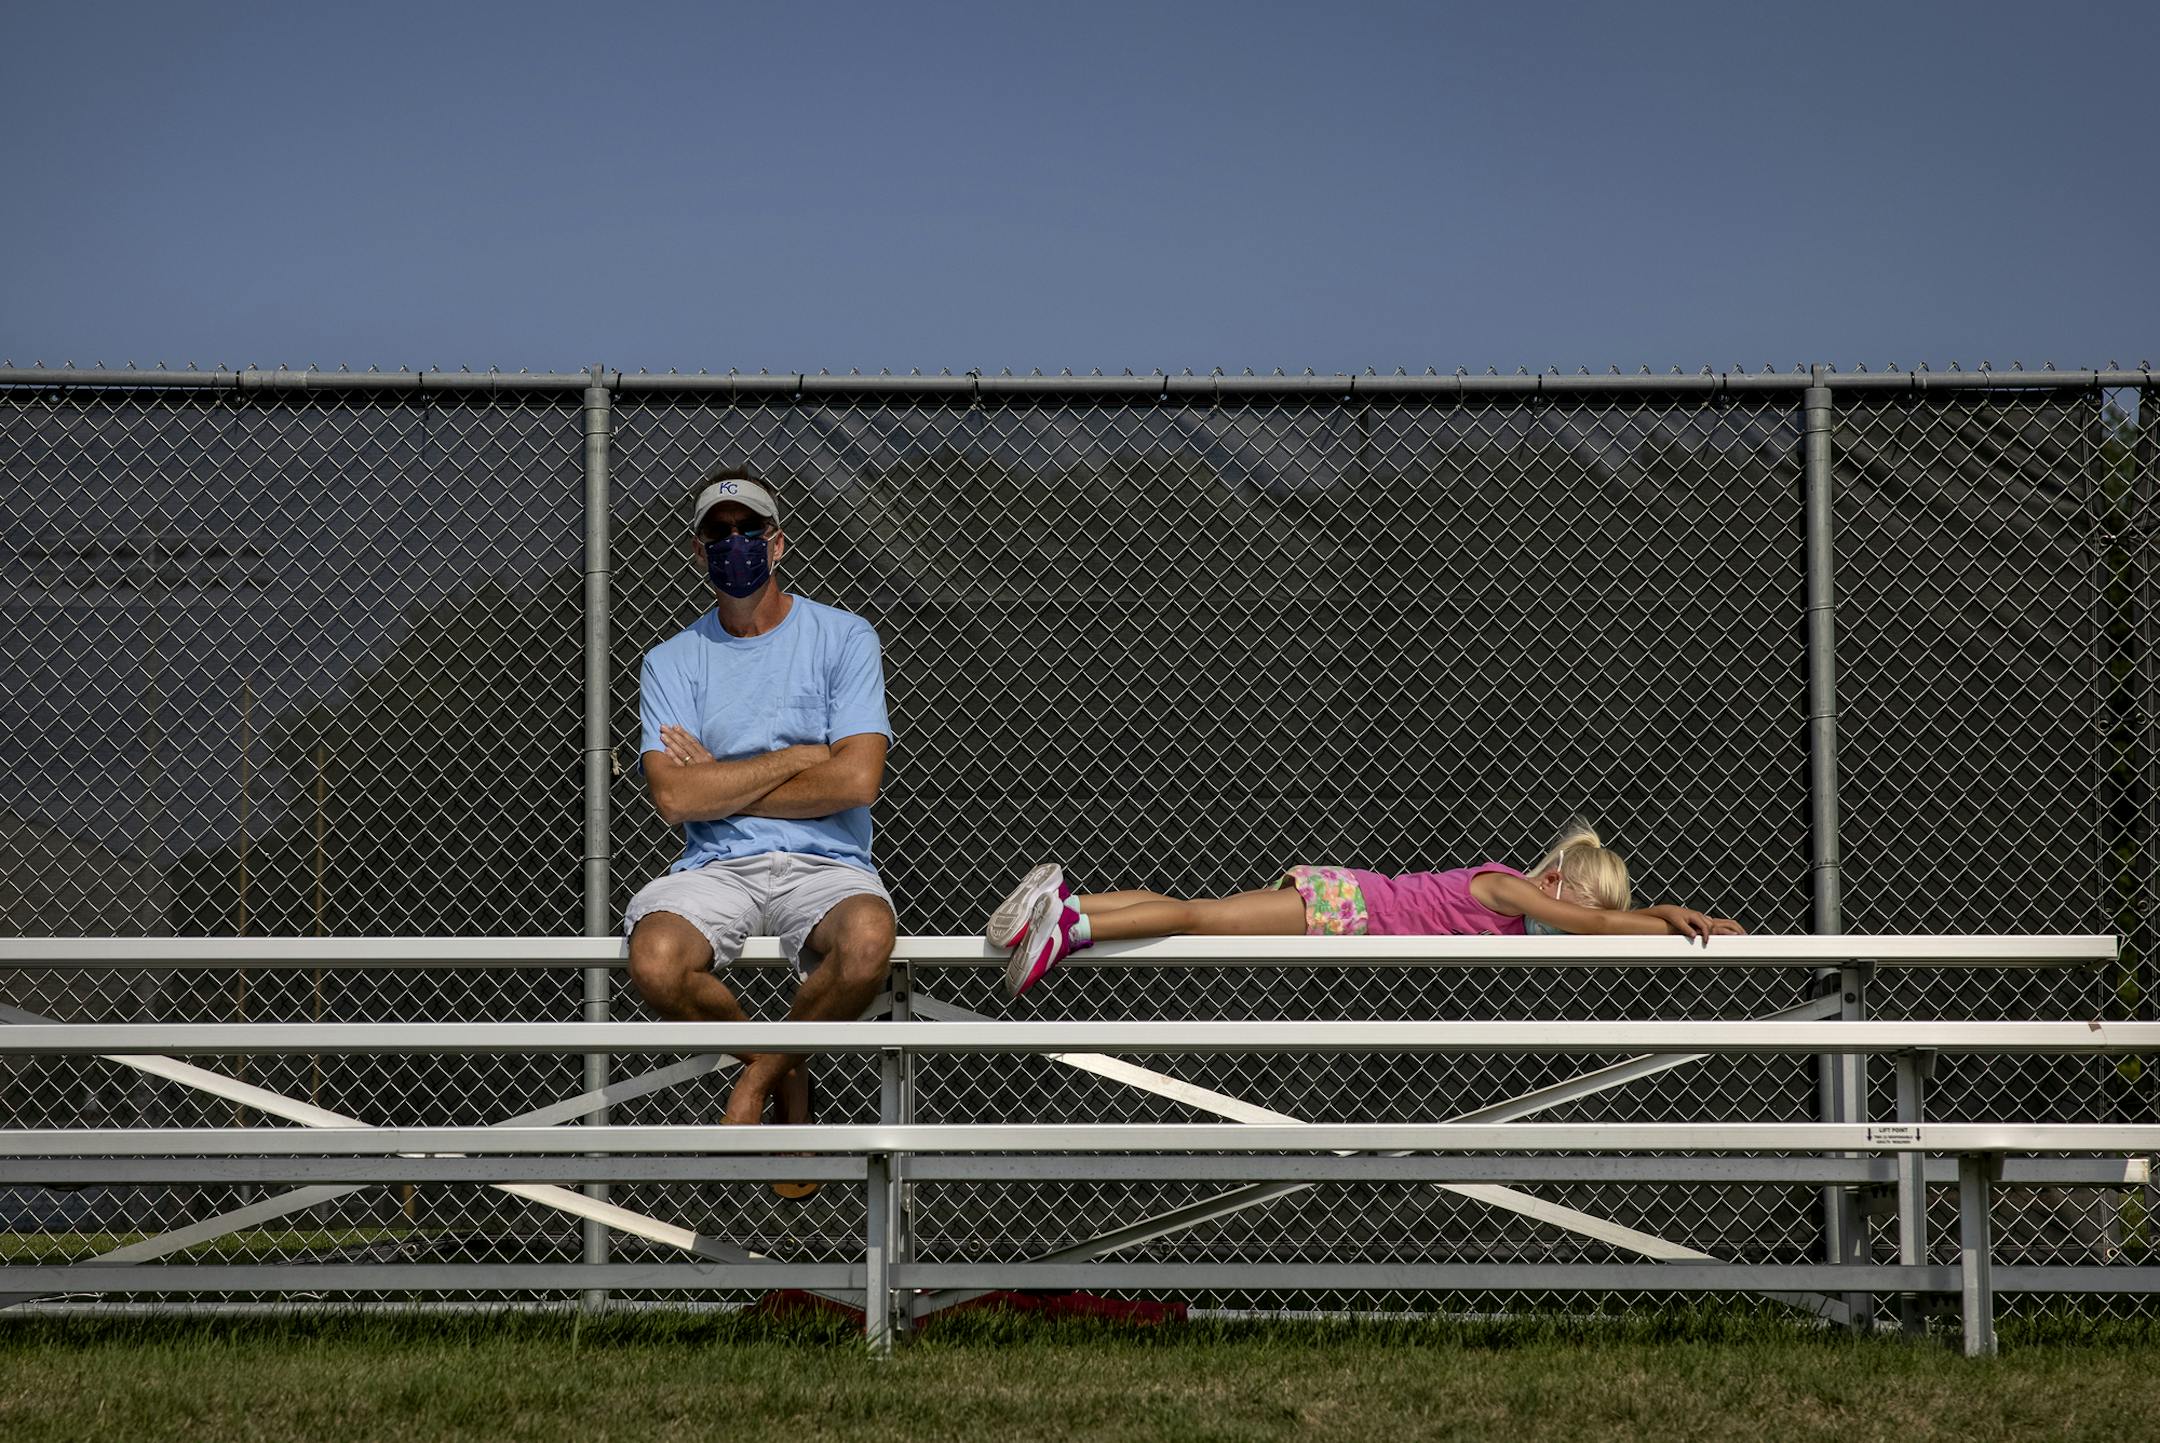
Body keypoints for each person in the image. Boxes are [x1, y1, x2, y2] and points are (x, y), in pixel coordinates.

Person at [624, 467, 896, 1190]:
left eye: (749, 530)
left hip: (829, 864)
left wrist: (727, 782)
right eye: (718, 533)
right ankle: (790, 1072)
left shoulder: (844, 636)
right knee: (654, 960)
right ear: (697, 550)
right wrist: (801, 758)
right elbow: (675, 797)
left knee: (869, 944)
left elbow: (857, 780)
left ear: (779, 544)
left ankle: (760, 1082)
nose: (734, 543)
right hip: (716, 871)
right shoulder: (671, 660)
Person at [988, 820, 1744, 998]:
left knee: (1198, 908)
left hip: (1344, 900)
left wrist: (1657, 914)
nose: (1583, 927)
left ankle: (1067, 901)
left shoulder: (1519, 908)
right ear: (1556, 885)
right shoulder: (1509, 886)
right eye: (1581, 907)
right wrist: (1675, 913)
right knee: (1198, 917)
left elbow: (1602, 923)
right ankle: (1072, 927)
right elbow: (1605, 927)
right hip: (1346, 907)